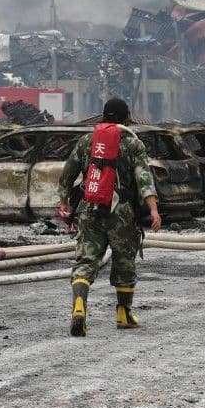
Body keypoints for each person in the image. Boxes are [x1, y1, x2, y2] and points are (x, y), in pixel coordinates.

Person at [58, 98, 162, 337]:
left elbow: (67, 174)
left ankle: (79, 307)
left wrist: (64, 204)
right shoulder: (133, 143)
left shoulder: (87, 141)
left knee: (86, 260)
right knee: (124, 262)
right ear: (126, 117)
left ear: (103, 116)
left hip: (90, 208)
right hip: (121, 213)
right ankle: (124, 314)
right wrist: (153, 210)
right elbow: (143, 179)